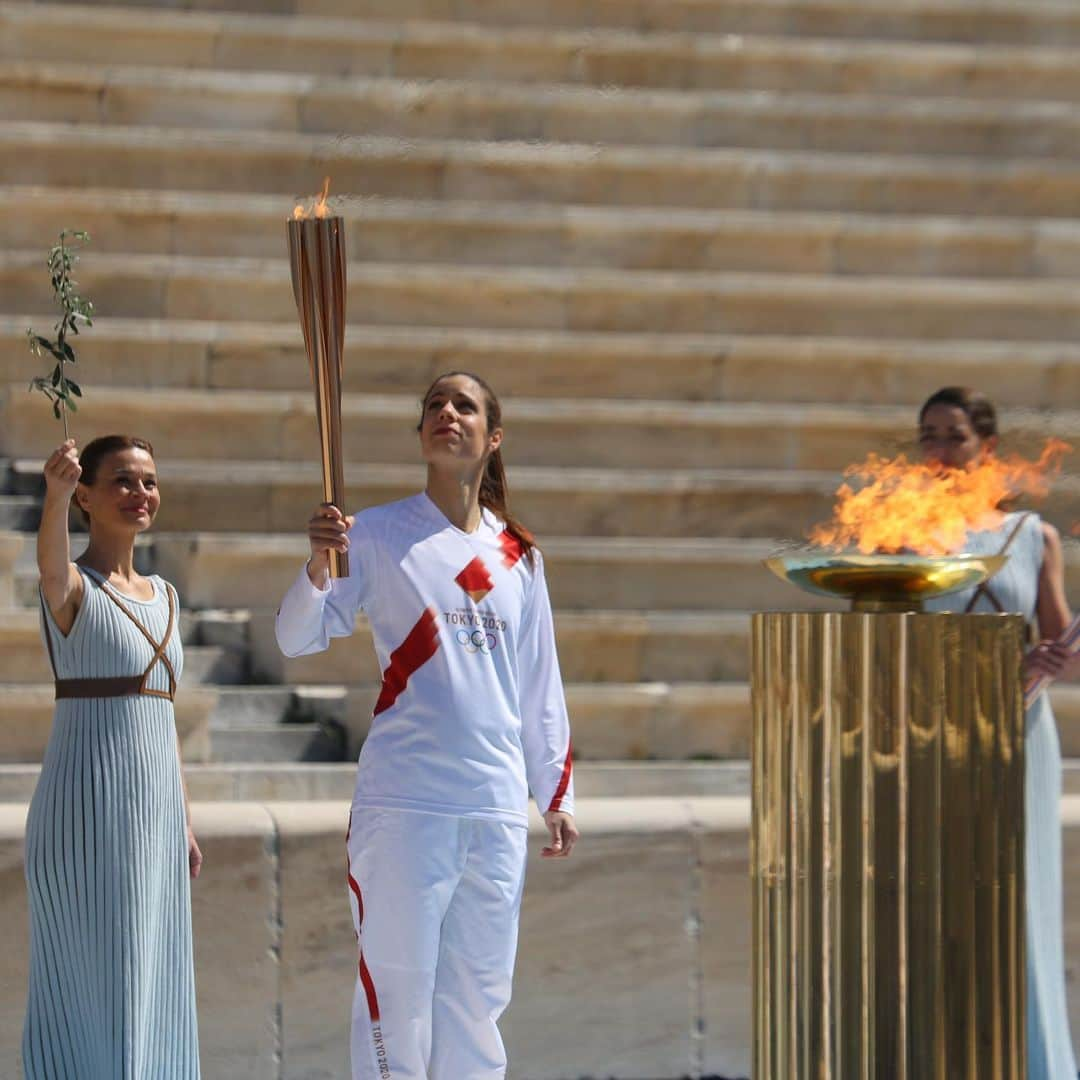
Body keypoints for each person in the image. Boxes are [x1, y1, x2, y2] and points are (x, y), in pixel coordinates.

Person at [276, 371, 577, 1080]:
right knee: (398, 999)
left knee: (477, 999)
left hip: (495, 804)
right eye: (434, 406)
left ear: (491, 437)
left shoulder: (519, 558)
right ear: (420, 435)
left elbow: (539, 685)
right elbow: (296, 638)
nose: (447, 413)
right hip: (405, 802)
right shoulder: (375, 534)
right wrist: (319, 565)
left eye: (464, 406)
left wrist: (554, 793)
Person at [23, 435, 201, 1079]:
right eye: (122, 481)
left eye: (149, 481)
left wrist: (181, 819)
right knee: (91, 987)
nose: (140, 494)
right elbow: (48, 568)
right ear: (88, 497)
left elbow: (163, 716)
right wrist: (53, 497)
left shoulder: (169, 597)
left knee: (153, 983)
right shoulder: (72, 586)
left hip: (153, 818)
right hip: (84, 813)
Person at [919, 387, 1078, 1079]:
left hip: (1021, 736)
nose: (939, 450)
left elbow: (1060, 640)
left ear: (985, 444)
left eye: (953, 435)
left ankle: (1033, 1063)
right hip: (941, 737)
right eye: (928, 435)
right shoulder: (905, 534)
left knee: (1020, 899)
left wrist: (1052, 657)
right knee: (948, 900)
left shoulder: (1031, 536)